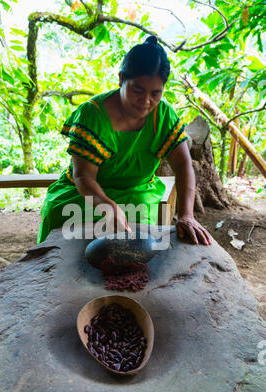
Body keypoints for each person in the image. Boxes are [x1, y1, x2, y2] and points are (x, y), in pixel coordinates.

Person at [37, 35, 212, 246]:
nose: (146, 101)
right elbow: (83, 176)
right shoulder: (92, 115)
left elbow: (183, 165)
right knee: (65, 226)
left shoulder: (163, 115)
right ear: (121, 79)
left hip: (136, 194)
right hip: (85, 195)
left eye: (156, 94)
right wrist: (108, 207)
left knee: (138, 239)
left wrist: (187, 215)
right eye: (138, 91)